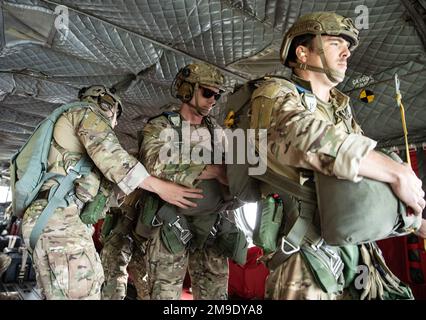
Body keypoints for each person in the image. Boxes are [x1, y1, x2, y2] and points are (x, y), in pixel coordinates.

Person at [249, 12, 426, 299]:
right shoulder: (273, 93)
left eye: (348, 47)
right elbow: (306, 138)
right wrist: (398, 172)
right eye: (334, 43)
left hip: (353, 244)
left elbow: (364, 175)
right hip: (304, 250)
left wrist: (416, 223)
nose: (346, 53)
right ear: (302, 52)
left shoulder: (339, 108)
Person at [21, 85, 203, 300]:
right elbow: (114, 159)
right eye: (116, 117)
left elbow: (106, 188)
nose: (115, 124)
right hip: (58, 220)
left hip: (53, 219)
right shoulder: (86, 114)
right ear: (110, 107)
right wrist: (162, 187)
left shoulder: (72, 132)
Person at [140, 62, 246, 299]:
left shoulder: (218, 133)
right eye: (207, 92)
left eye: (217, 95)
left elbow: (236, 167)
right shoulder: (163, 125)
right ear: (187, 90)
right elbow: (153, 161)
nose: (213, 100)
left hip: (213, 224)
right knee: (163, 295)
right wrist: (211, 170)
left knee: (216, 296)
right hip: (172, 223)